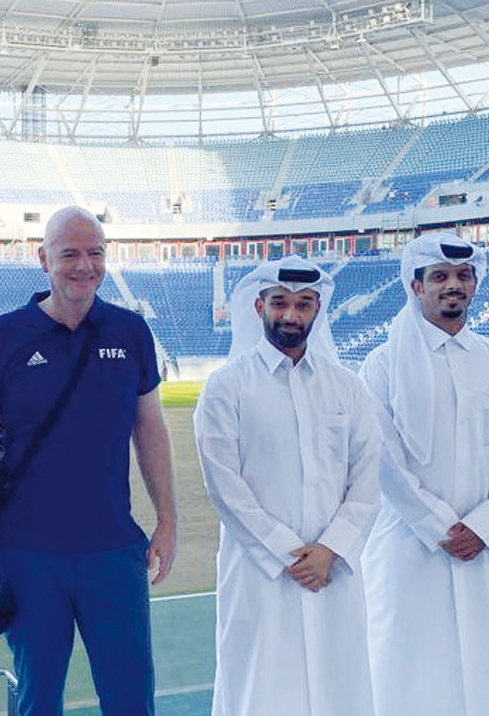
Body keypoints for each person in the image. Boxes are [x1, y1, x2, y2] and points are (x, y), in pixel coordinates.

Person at [0, 206, 177, 716]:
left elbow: (149, 427)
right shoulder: (3, 337)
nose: (84, 266)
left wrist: (168, 518)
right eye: (69, 254)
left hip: (113, 552)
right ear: (43, 259)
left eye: (95, 253)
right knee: (37, 701)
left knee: (131, 699)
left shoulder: (130, 332)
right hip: (27, 556)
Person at [193, 256, 380, 716]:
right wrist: (289, 554)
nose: (291, 315)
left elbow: (366, 479)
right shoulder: (225, 387)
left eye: (303, 304)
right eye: (280, 303)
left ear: (318, 309)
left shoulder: (348, 388)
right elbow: (225, 488)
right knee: (260, 687)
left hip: (333, 572)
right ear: (259, 307)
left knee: (339, 686)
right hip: (260, 574)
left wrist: (330, 550)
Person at [359, 233, 489, 716]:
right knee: (410, 672)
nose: (453, 285)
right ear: (416, 286)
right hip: (411, 549)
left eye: (463, 275)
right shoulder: (382, 366)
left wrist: (485, 524)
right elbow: (383, 457)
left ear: (475, 283)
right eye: (440, 276)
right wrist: (441, 528)